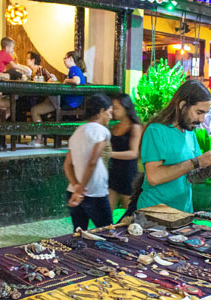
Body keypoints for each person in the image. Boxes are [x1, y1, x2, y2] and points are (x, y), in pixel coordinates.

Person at [136, 80, 211, 213]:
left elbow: (192, 176)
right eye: (199, 112)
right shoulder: (156, 131)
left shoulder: (189, 132)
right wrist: (197, 161)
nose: (202, 120)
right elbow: (154, 177)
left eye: (205, 114)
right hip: (155, 214)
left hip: (183, 212)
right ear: (182, 105)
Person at [63, 94, 113, 231]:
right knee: (108, 232)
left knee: (79, 234)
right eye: (109, 112)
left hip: (73, 190)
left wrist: (75, 186)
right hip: (94, 191)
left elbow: (67, 165)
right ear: (101, 111)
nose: (111, 117)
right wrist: (81, 189)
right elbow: (93, 162)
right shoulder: (102, 131)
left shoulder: (78, 131)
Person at [30, 51, 87, 147]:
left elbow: (76, 81)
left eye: (64, 59)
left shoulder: (74, 68)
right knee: (46, 101)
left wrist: (65, 80)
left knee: (35, 110)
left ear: (71, 59)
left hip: (68, 102)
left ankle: (39, 140)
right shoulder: (76, 70)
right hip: (73, 102)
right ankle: (40, 137)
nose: (64, 61)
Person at [108, 93, 142, 211]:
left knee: (129, 212)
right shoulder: (114, 126)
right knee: (107, 211)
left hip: (128, 174)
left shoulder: (135, 127)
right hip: (114, 171)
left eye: (117, 108)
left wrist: (110, 154)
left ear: (126, 108)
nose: (113, 111)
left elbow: (133, 153)